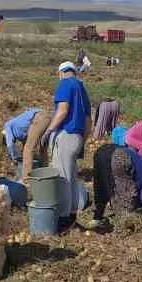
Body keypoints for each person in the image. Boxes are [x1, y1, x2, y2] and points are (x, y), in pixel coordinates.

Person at [44, 62, 91, 226]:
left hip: (66, 135)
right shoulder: (81, 87)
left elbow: (62, 110)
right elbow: (88, 120)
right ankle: (72, 215)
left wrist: (49, 130)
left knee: (62, 179)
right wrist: (82, 141)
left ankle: (63, 219)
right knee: (71, 177)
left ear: (62, 72)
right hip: (77, 137)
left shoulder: (65, 84)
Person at [90, 141, 142, 220]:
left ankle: (97, 216)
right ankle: (124, 220)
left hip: (102, 152)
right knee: (126, 192)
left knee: (100, 184)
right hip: (119, 156)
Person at [5, 106, 50, 180]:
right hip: (47, 117)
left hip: (39, 117)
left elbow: (10, 145)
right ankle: (45, 175)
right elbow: (27, 140)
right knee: (43, 149)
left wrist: (14, 157)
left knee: (28, 149)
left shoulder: (7, 126)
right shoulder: (19, 128)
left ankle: (26, 180)